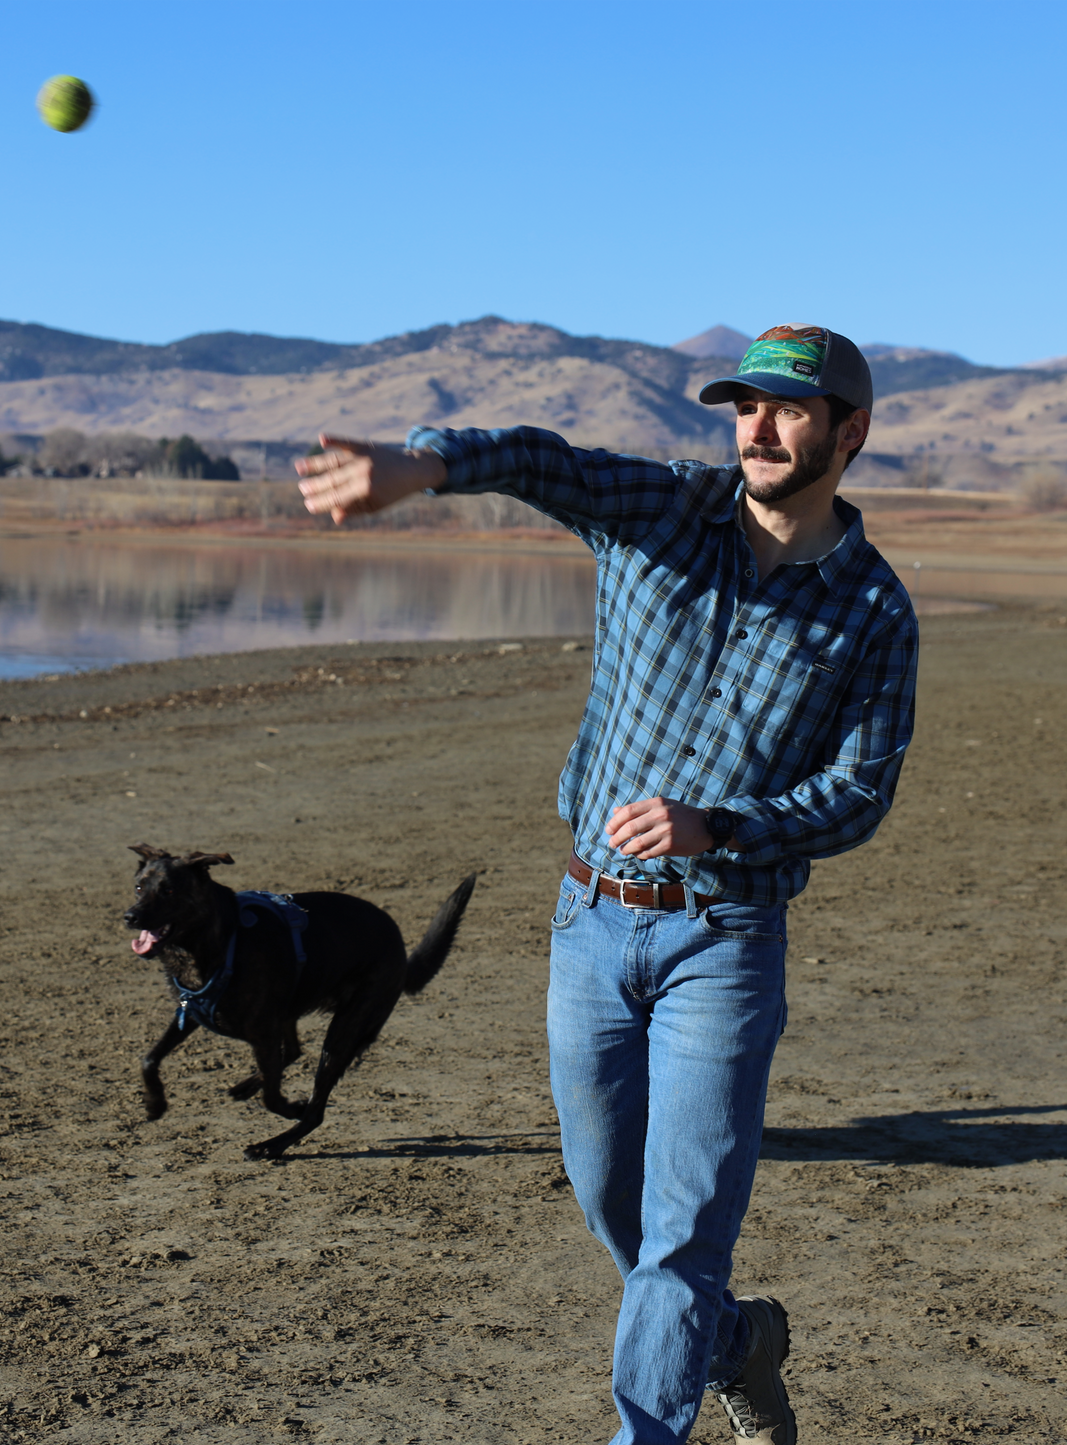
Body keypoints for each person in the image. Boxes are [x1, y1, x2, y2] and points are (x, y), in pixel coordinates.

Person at [295, 325, 917, 1445]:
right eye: (743, 407)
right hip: (587, 923)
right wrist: (420, 465)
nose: (756, 429)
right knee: (609, 1202)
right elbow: (544, 462)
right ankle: (735, 1342)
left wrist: (720, 824)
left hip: (723, 941)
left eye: (784, 410)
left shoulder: (873, 612)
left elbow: (858, 793)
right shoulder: (666, 511)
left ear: (848, 430)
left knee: (682, 1238)